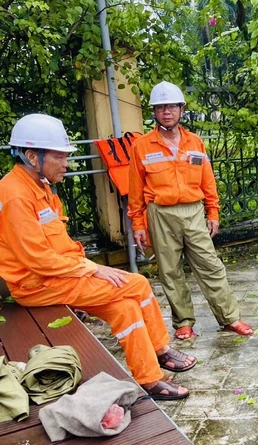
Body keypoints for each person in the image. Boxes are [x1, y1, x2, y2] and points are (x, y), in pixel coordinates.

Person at [0, 114, 194, 400]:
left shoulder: (37, 185)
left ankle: (149, 379)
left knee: (126, 308)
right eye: (60, 157)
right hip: (38, 283)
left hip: (59, 274)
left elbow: (57, 243)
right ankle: (161, 351)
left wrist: (87, 267)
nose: (66, 164)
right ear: (32, 155)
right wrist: (92, 270)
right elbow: (37, 259)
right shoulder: (15, 195)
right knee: (137, 284)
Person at [128, 81, 252, 340]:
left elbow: (208, 181)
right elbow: (135, 190)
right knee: (170, 271)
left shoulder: (195, 143)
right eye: (161, 107)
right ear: (154, 112)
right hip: (160, 213)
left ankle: (230, 318)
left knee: (210, 265)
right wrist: (138, 224)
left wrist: (213, 212)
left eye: (172, 106)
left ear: (181, 109)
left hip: (194, 212)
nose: (167, 112)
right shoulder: (142, 146)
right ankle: (183, 322)